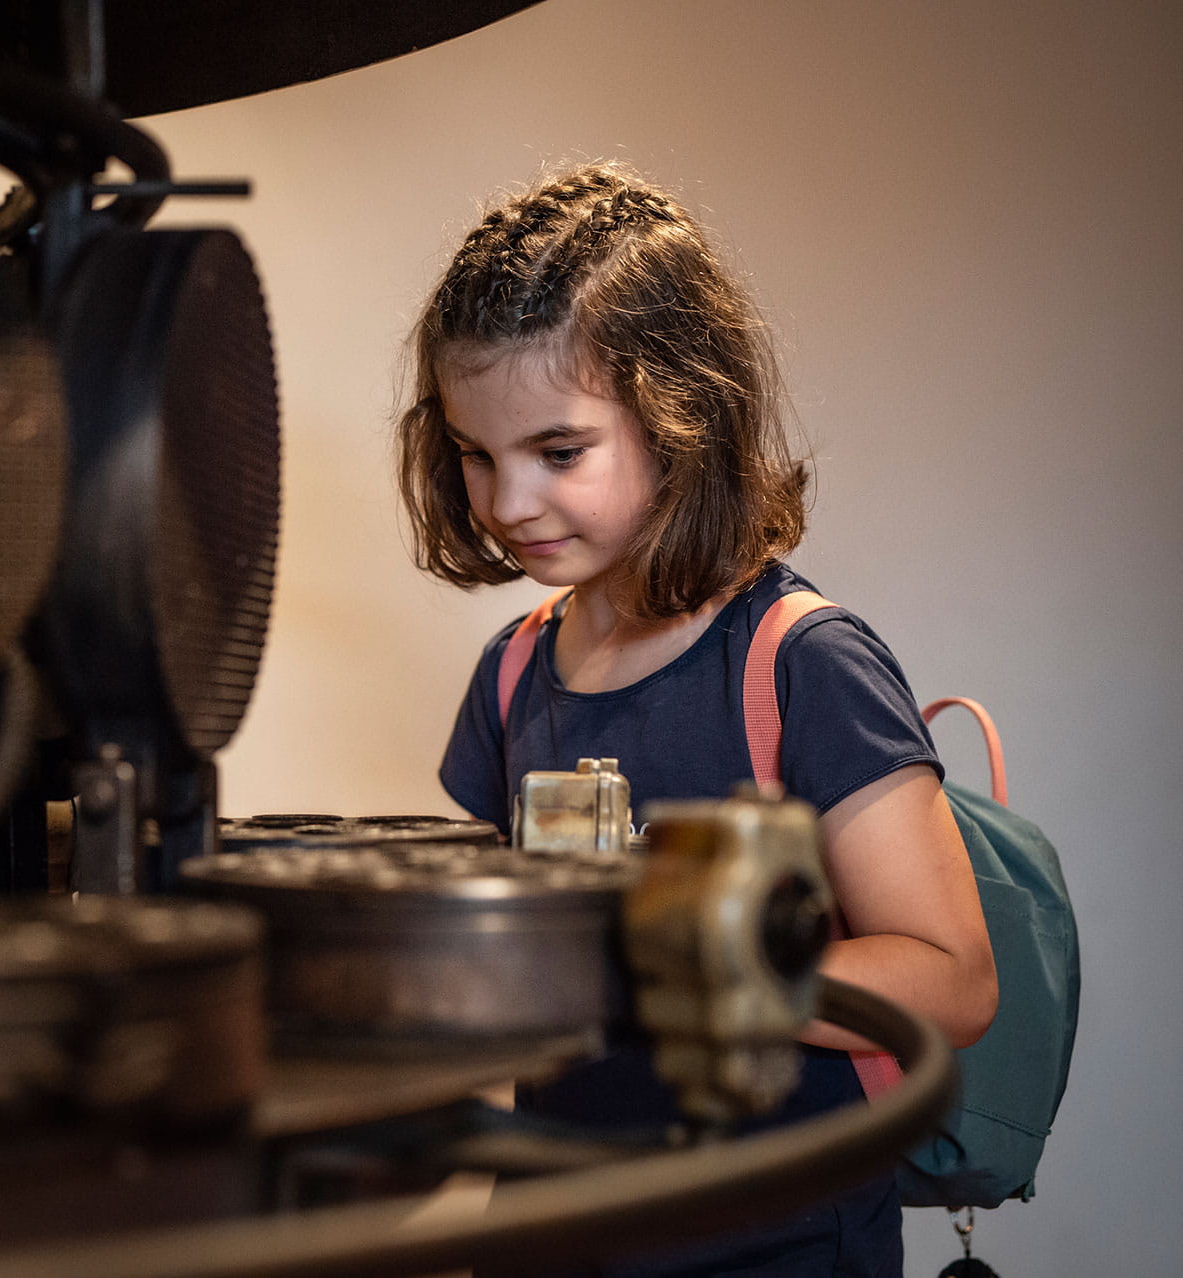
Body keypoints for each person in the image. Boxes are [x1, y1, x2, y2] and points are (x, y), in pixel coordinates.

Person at [396, 163, 997, 1275]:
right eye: (476, 454)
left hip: (774, 1240)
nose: (508, 502)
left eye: (558, 452)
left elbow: (954, 980)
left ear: (683, 411)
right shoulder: (513, 673)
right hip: (559, 1230)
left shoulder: (803, 662)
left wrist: (694, 967)